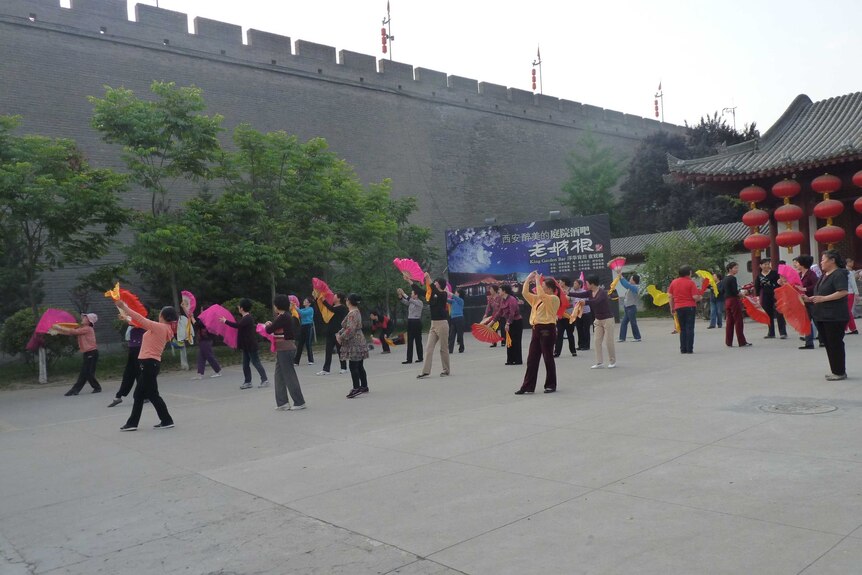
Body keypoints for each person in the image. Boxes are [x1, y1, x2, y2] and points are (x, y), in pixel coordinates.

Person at [115, 300, 177, 431]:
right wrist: (126, 317)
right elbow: (138, 323)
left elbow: (141, 320)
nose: (159, 315)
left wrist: (125, 307)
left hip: (149, 364)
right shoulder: (163, 328)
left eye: (160, 313)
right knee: (139, 395)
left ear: (164, 317)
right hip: (150, 364)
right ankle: (134, 423)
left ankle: (166, 420)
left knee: (152, 394)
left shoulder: (160, 327)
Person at [805, 250, 849, 380]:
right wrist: (811, 298)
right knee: (829, 343)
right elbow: (821, 293)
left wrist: (823, 299)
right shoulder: (825, 275)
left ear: (832, 260)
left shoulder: (839, 274)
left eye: (823, 259)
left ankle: (840, 371)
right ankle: (835, 369)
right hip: (822, 315)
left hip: (835, 315)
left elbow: (843, 292)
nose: (821, 262)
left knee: (835, 343)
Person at [515, 272, 559, 394]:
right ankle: (528, 386)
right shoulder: (537, 299)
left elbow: (542, 295)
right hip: (536, 329)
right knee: (532, 358)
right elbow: (525, 293)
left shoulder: (554, 298)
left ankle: (550, 385)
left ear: (549, 289)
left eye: (543, 286)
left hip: (547, 329)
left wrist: (538, 281)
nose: (540, 288)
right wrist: (528, 279)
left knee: (547, 357)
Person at [265, 294, 306, 410]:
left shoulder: (284, 317)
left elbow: (269, 330)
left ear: (277, 305)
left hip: (285, 348)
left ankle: (299, 402)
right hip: (282, 348)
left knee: (289, 375)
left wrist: (268, 325)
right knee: (279, 375)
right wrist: (270, 325)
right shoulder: (284, 316)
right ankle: (282, 402)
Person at [220, 298, 269, 389]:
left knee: (256, 362)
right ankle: (248, 382)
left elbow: (237, 326)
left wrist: (225, 321)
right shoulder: (246, 318)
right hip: (246, 345)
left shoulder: (247, 318)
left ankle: (264, 380)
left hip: (250, 345)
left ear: (242, 308)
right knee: (245, 364)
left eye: (239, 306)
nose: (238, 307)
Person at [55, 313, 101, 396]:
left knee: (87, 372)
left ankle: (79, 389)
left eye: (85, 318)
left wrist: (59, 328)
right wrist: (58, 331)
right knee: (86, 373)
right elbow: (71, 333)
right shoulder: (83, 328)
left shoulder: (87, 328)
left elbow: (73, 331)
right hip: (88, 353)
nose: (82, 319)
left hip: (92, 353)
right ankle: (79, 389)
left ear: (89, 321)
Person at [577, 275, 615, 368]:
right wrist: (568, 293)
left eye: (587, 283)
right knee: (597, 341)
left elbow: (596, 302)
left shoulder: (602, 293)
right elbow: (580, 295)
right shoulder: (590, 292)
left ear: (592, 283)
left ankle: (612, 361)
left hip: (608, 319)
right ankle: (599, 362)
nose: (586, 285)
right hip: (598, 320)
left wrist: (586, 302)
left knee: (608, 341)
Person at [417, 273, 451, 378]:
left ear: (440, 284)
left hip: (442, 324)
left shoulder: (443, 294)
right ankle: (426, 371)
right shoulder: (432, 294)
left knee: (443, 348)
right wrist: (409, 281)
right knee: (429, 348)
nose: (434, 283)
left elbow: (434, 289)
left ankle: (446, 370)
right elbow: (421, 291)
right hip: (433, 324)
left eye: (436, 282)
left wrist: (428, 278)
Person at [337, 293, 370, 397]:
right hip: (359, 339)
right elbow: (348, 326)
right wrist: (340, 332)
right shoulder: (355, 311)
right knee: (359, 365)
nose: (346, 301)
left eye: (347, 300)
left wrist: (341, 337)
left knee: (353, 365)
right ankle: (364, 386)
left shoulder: (352, 313)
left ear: (349, 302)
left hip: (354, 341)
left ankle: (356, 388)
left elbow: (350, 329)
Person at [667, 266, 703, 354]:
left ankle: (683, 349)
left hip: (678, 307)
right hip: (690, 307)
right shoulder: (690, 283)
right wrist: (700, 298)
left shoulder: (674, 282)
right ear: (689, 273)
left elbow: (670, 296)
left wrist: (672, 307)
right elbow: (695, 297)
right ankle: (689, 349)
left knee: (682, 329)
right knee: (689, 328)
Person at [108, 323, 145, 407]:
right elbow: (128, 335)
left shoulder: (140, 320)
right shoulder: (132, 321)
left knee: (139, 374)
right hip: (132, 349)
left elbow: (137, 324)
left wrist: (129, 319)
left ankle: (144, 395)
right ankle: (119, 396)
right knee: (128, 373)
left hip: (139, 349)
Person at [754, 258, 787, 339]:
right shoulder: (759, 276)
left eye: (768, 264)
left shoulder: (775, 273)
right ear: (760, 266)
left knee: (779, 313)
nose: (767, 266)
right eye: (765, 264)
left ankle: (783, 332)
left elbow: (780, 284)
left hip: (776, 295)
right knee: (768, 315)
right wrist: (757, 297)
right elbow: (757, 287)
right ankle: (771, 332)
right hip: (765, 297)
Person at [720, 262, 751, 348]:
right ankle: (741, 341)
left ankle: (728, 342)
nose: (737, 270)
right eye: (735, 268)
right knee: (738, 320)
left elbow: (721, 291)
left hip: (727, 301)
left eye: (737, 268)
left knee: (729, 321)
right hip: (734, 300)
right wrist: (742, 294)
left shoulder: (724, 279)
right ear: (730, 269)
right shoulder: (732, 278)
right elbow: (735, 291)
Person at [317, 292, 348, 375]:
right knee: (328, 351)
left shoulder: (342, 307)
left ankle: (344, 367)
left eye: (334, 296)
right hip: (330, 331)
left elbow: (332, 309)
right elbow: (329, 309)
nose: (333, 297)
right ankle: (326, 369)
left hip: (338, 332)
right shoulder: (333, 306)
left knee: (340, 350)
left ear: (338, 299)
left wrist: (324, 301)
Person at [793, 255, 819, 350]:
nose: (796, 264)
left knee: (817, 321)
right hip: (803, 301)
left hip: (812, 301)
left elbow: (816, 286)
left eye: (797, 262)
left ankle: (823, 340)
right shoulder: (799, 275)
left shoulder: (811, 274)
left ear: (803, 264)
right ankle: (809, 343)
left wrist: (805, 289)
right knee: (806, 322)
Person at [190, 305, 222, 380]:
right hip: (203, 340)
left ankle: (218, 371)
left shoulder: (207, 319)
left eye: (202, 310)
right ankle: (200, 374)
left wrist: (192, 317)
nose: (201, 311)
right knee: (201, 357)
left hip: (206, 340)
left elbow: (197, 325)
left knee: (209, 356)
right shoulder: (204, 318)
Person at [495, 284, 524, 365]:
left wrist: (507, 323)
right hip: (509, 322)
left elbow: (512, 313)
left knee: (516, 341)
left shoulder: (512, 299)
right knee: (509, 341)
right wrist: (491, 322)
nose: (498, 292)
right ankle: (510, 360)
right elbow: (499, 312)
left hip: (516, 322)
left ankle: (518, 360)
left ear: (504, 291)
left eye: (499, 290)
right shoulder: (502, 300)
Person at [397, 285, 424, 364]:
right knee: (410, 340)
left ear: (416, 295)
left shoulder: (419, 302)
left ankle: (420, 357)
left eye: (412, 293)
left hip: (416, 322)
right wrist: (400, 295)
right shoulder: (411, 302)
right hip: (410, 322)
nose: (411, 294)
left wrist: (404, 293)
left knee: (418, 340)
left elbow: (410, 300)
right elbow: (404, 301)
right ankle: (409, 359)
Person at [554, 277, 577, 357]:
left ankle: (573, 351)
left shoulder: (571, 290)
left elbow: (571, 299)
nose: (559, 283)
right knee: (559, 334)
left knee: (570, 333)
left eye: (560, 281)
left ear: (564, 282)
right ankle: (557, 352)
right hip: (560, 315)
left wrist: (564, 294)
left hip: (569, 315)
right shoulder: (557, 290)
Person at [616, 272, 642, 343]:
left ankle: (637, 337)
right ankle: (622, 338)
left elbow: (626, 284)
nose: (629, 279)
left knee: (633, 323)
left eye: (631, 278)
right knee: (624, 323)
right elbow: (625, 284)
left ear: (634, 280)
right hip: (627, 308)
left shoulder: (635, 287)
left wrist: (621, 277)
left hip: (631, 308)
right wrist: (620, 277)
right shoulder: (630, 286)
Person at [571, 278, 593, 351]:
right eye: (574, 283)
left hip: (585, 313)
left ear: (580, 285)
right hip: (577, 314)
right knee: (579, 329)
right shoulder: (573, 292)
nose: (574, 285)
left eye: (575, 284)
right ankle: (580, 345)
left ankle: (586, 345)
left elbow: (585, 302)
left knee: (585, 329)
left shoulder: (584, 292)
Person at [295, 297, 315, 365]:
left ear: (309, 303)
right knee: (300, 344)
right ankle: (296, 361)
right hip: (303, 326)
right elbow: (299, 312)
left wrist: (296, 308)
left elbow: (302, 314)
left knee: (308, 343)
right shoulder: (303, 309)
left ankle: (311, 360)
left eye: (305, 301)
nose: (304, 301)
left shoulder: (310, 309)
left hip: (309, 326)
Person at [447, 288, 466, 354]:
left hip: (459, 318)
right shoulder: (453, 301)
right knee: (452, 334)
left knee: (460, 334)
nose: (455, 293)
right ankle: (450, 350)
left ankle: (461, 348)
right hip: (453, 319)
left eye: (456, 292)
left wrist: (448, 292)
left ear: (459, 294)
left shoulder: (461, 300)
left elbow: (453, 296)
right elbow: (447, 300)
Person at [844, 257, 859, 335]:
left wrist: (856, 293)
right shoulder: (844, 272)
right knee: (847, 311)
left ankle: (850, 328)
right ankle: (851, 328)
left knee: (847, 311)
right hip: (846, 293)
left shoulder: (849, 272)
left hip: (850, 293)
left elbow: (853, 283)